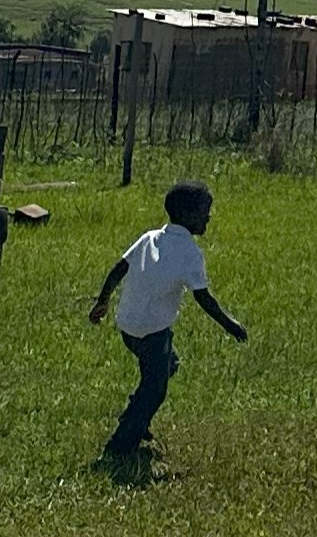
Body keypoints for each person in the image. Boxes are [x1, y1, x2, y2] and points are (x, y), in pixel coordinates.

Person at [88, 179, 247, 459]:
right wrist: (230, 324)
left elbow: (119, 268)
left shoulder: (149, 237)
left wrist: (103, 301)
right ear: (188, 215)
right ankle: (121, 445)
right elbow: (204, 299)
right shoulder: (190, 253)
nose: (209, 216)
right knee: (156, 388)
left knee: (167, 364)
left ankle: (136, 413)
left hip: (128, 326)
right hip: (153, 331)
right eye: (205, 211)